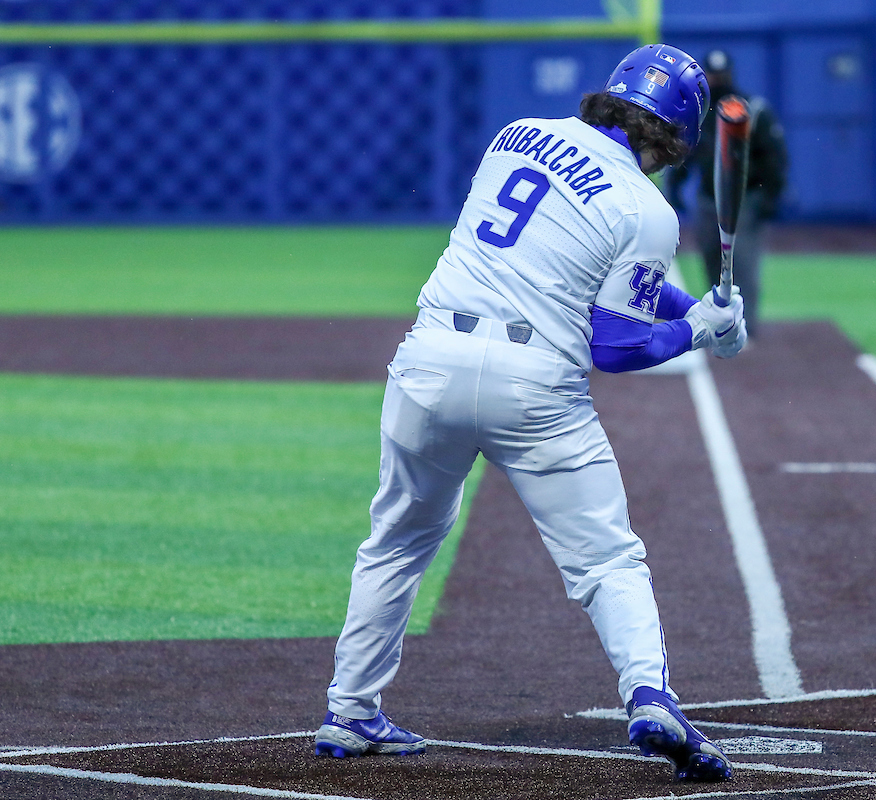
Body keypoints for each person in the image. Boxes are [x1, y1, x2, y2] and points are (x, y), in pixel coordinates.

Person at [312, 44, 745, 783]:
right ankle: (649, 693)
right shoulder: (647, 210)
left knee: (395, 543)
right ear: (677, 135)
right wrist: (700, 330)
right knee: (607, 558)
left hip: (429, 363)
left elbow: (565, 258)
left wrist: (696, 305)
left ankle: (350, 711)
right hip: (534, 390)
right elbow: (617, 346)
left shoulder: (514, 134)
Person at [665, 49, 787, 339]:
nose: (718, 80)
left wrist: (771, 196)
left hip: (745, 200)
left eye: (722, 75)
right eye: (713, 75)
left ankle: (746, 329)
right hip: (709, 200)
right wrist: (676, 187)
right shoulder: (700, 114)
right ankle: (719, 322)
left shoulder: (752, 110)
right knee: (711, 261)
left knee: (742, 266)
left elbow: (774, 157)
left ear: (731, 74)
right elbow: (687, 153)